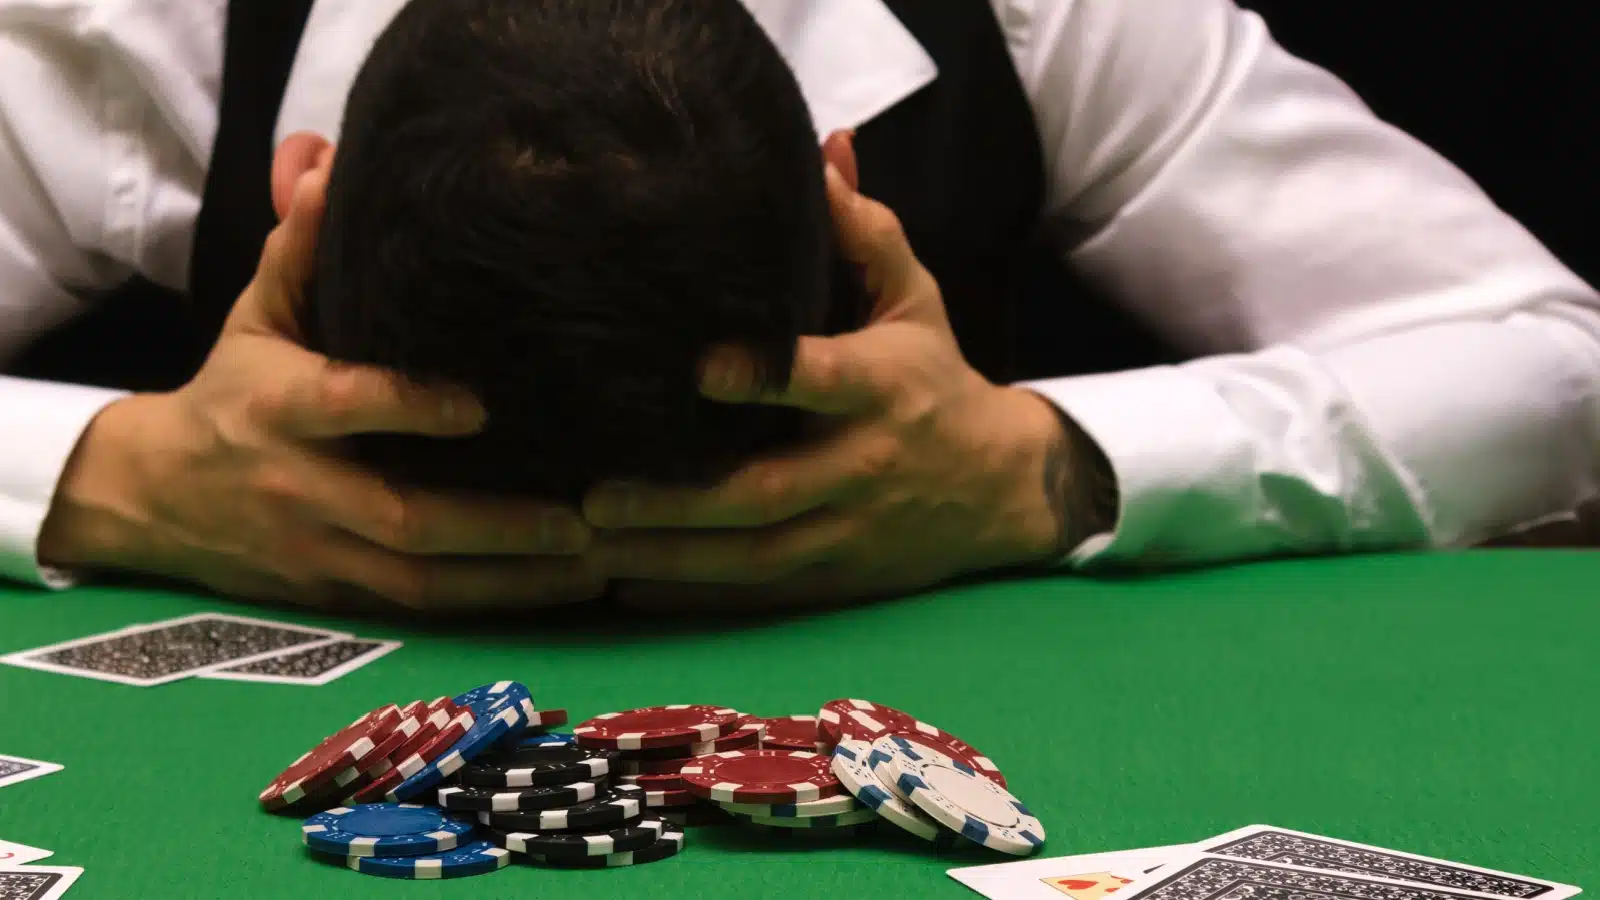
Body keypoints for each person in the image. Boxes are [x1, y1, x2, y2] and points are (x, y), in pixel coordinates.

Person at [0, 0, 1595, 613]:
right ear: (307, 183)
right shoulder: (147, 31)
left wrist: (1049, 464)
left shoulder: (1041, 16)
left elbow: (1552, 360)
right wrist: (114, 473)